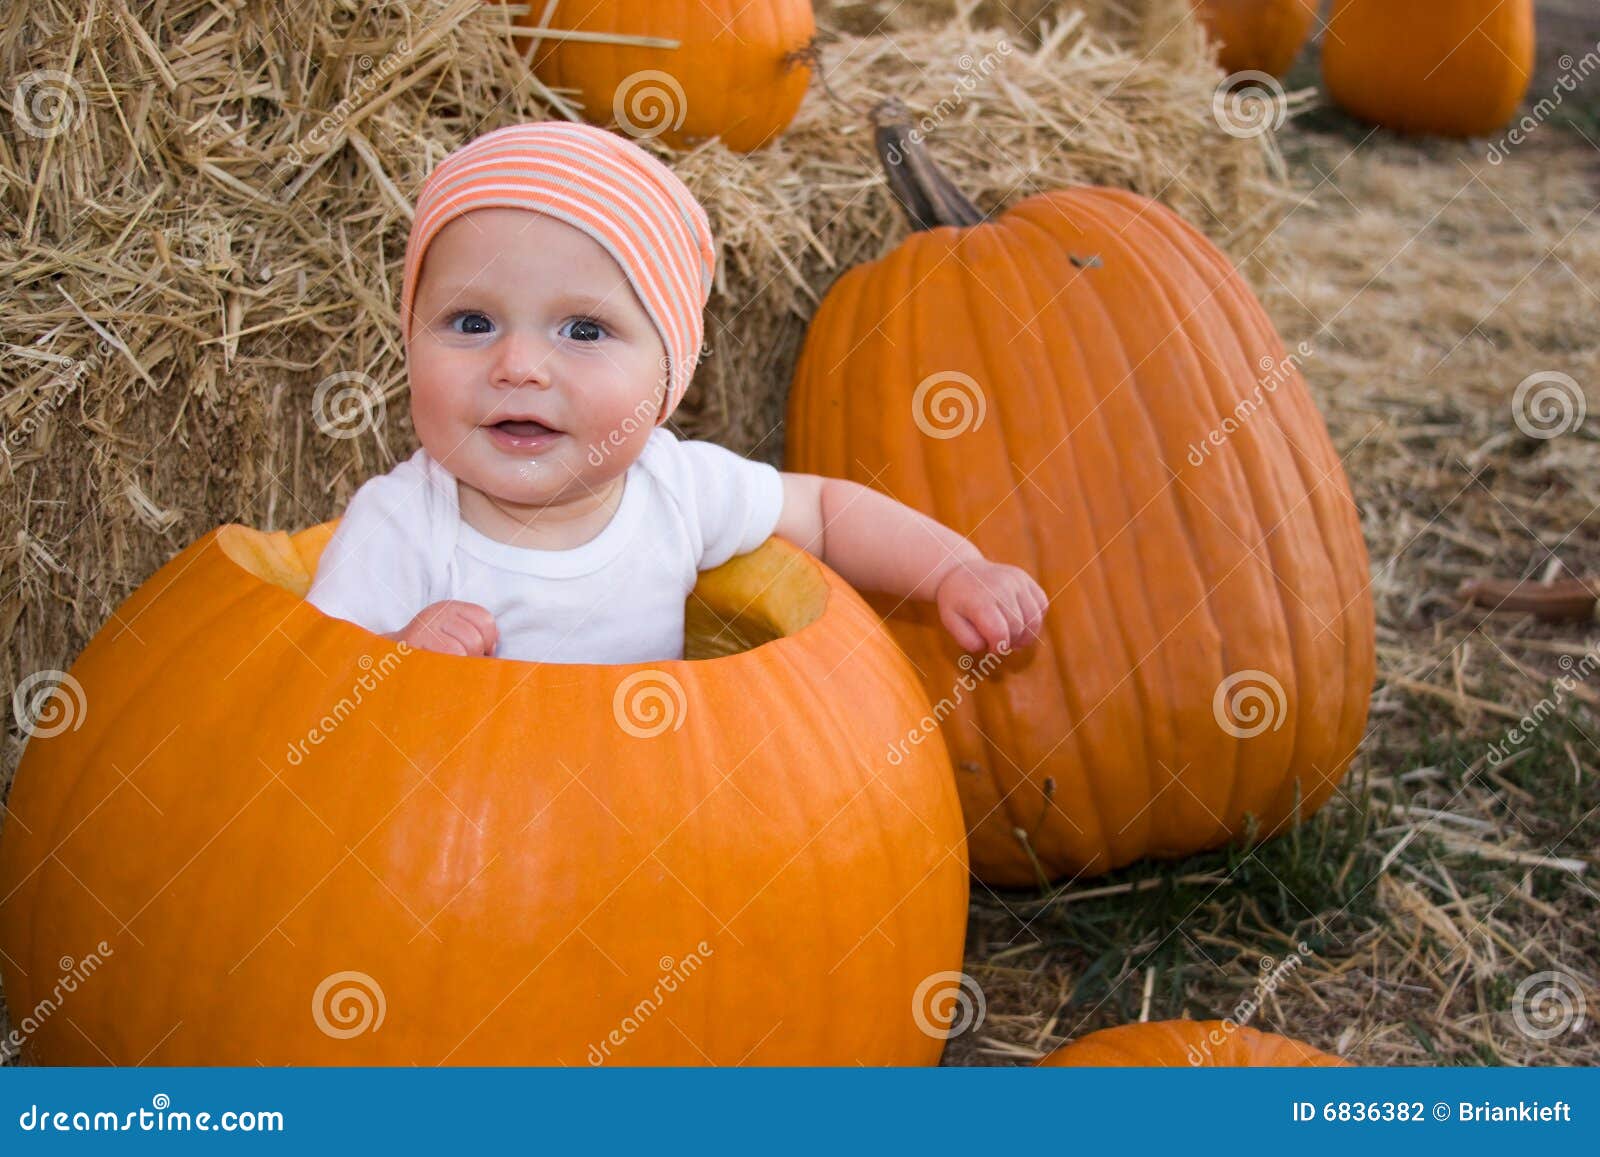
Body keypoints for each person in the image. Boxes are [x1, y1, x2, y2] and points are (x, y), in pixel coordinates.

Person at [306, 121, 1046, 663]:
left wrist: (952, 567)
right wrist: (395, 659)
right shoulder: (404, 525)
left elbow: (825, 507)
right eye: (471, 321)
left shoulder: (675, 487)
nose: (519, 365)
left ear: (668, 377)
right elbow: (307, 690)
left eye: (585, 332)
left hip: (646, 818)